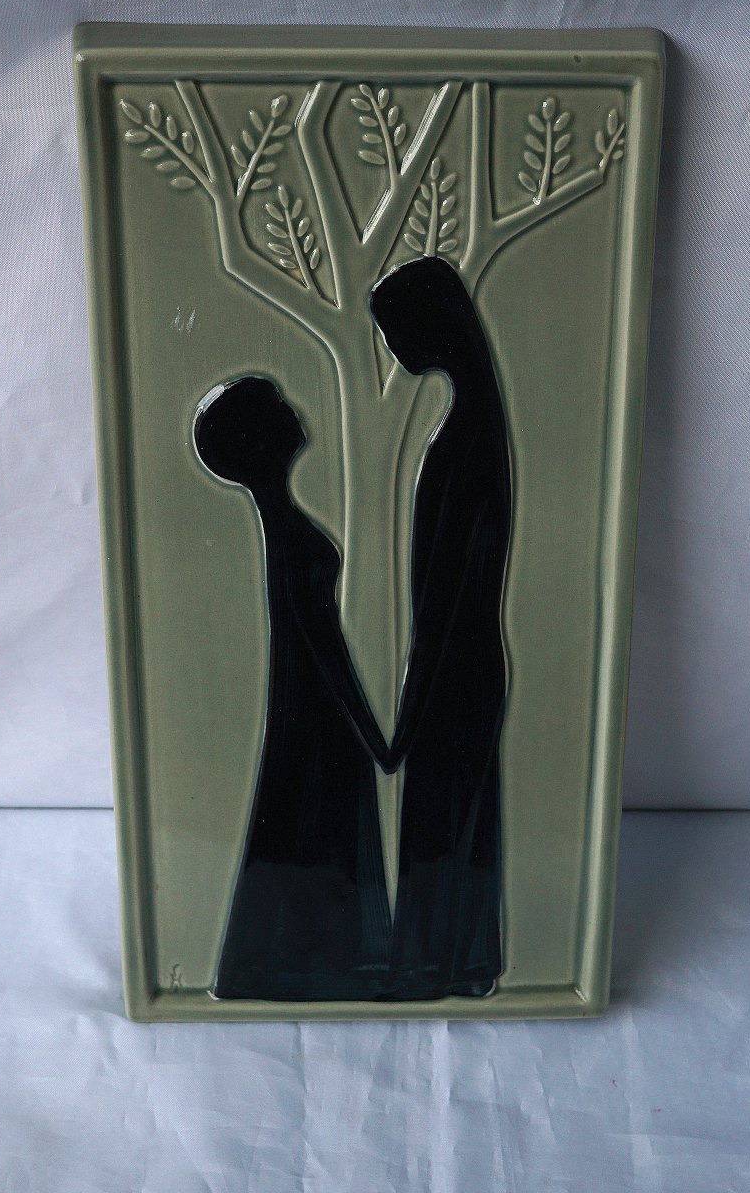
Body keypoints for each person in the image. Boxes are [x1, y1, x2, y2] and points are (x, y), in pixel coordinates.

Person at [194, 377, 393, 1001]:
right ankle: (323, 966)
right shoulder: (285, 533)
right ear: (260, 440)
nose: (295, 409)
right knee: (317, 827)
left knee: (305, 826)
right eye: (279, 406)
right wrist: (371, 734)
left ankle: (306, 963)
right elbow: (322, 647)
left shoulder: (283, 525)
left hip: (312, 710)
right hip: (319, 713)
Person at [371, 257, 512, 999]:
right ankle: (464, 963)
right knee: (463, 817)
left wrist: (409, 710)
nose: (392, 348)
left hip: (453, 671)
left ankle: (433, 967)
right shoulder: (478, 430)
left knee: (443, 817)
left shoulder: (459, 444)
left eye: (394, 331)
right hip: (472, 665)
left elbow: (442, 600)